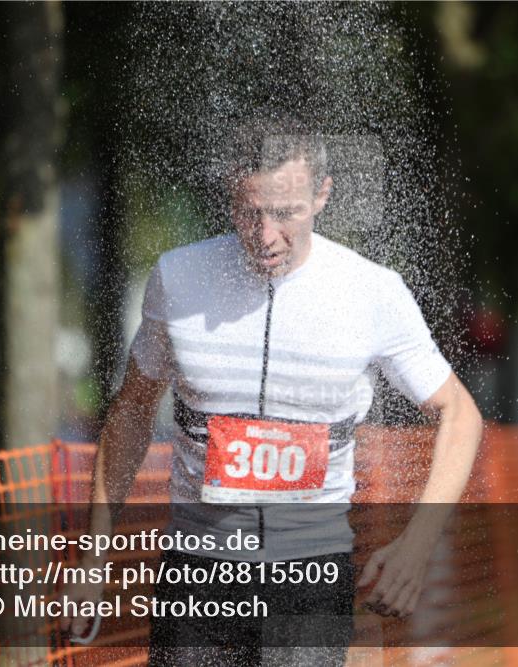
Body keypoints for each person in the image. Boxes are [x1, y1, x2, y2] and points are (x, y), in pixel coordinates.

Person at [61, 114, 483, 666]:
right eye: (249, 211)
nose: (265, 237)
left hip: (309, 576)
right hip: (197, 568)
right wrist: (95, 558)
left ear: (323, 195)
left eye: (285, 214)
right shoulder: (179, 278)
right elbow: (134, 409)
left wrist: (418, 544)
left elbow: (458, 412)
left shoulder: (371, 292)